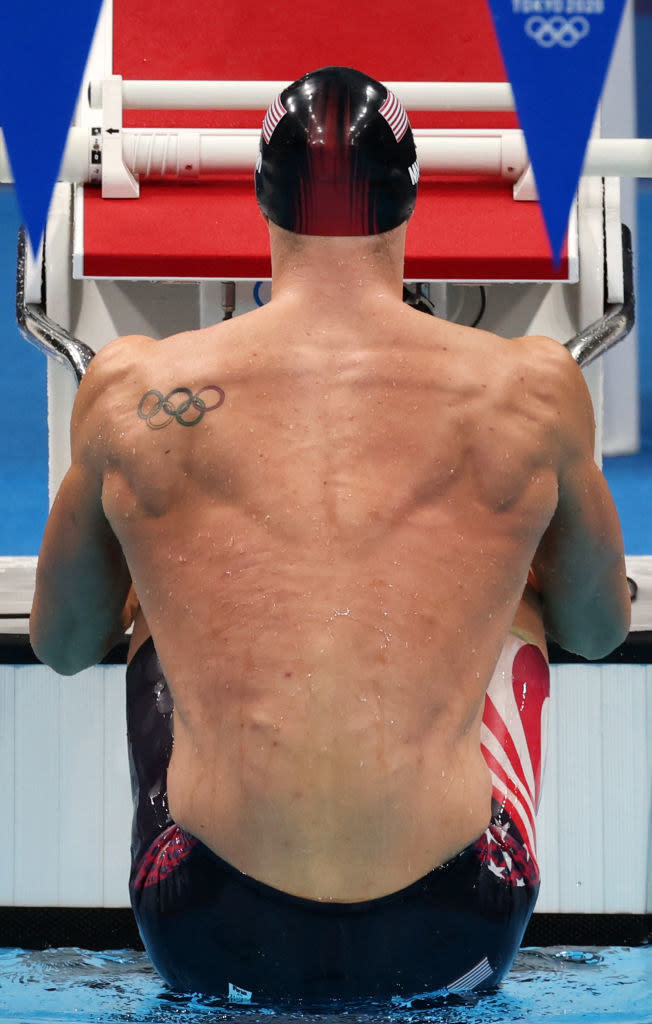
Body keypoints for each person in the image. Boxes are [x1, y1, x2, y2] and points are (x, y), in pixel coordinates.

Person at [30, 66, 631, 1008]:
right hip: (456, 927)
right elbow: (599, 628)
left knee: (159, 595)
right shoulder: (532, 389)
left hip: (204, 926)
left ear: (263, 204)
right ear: (413, 203)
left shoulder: (133, 389)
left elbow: (61, 644)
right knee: (515, 593)